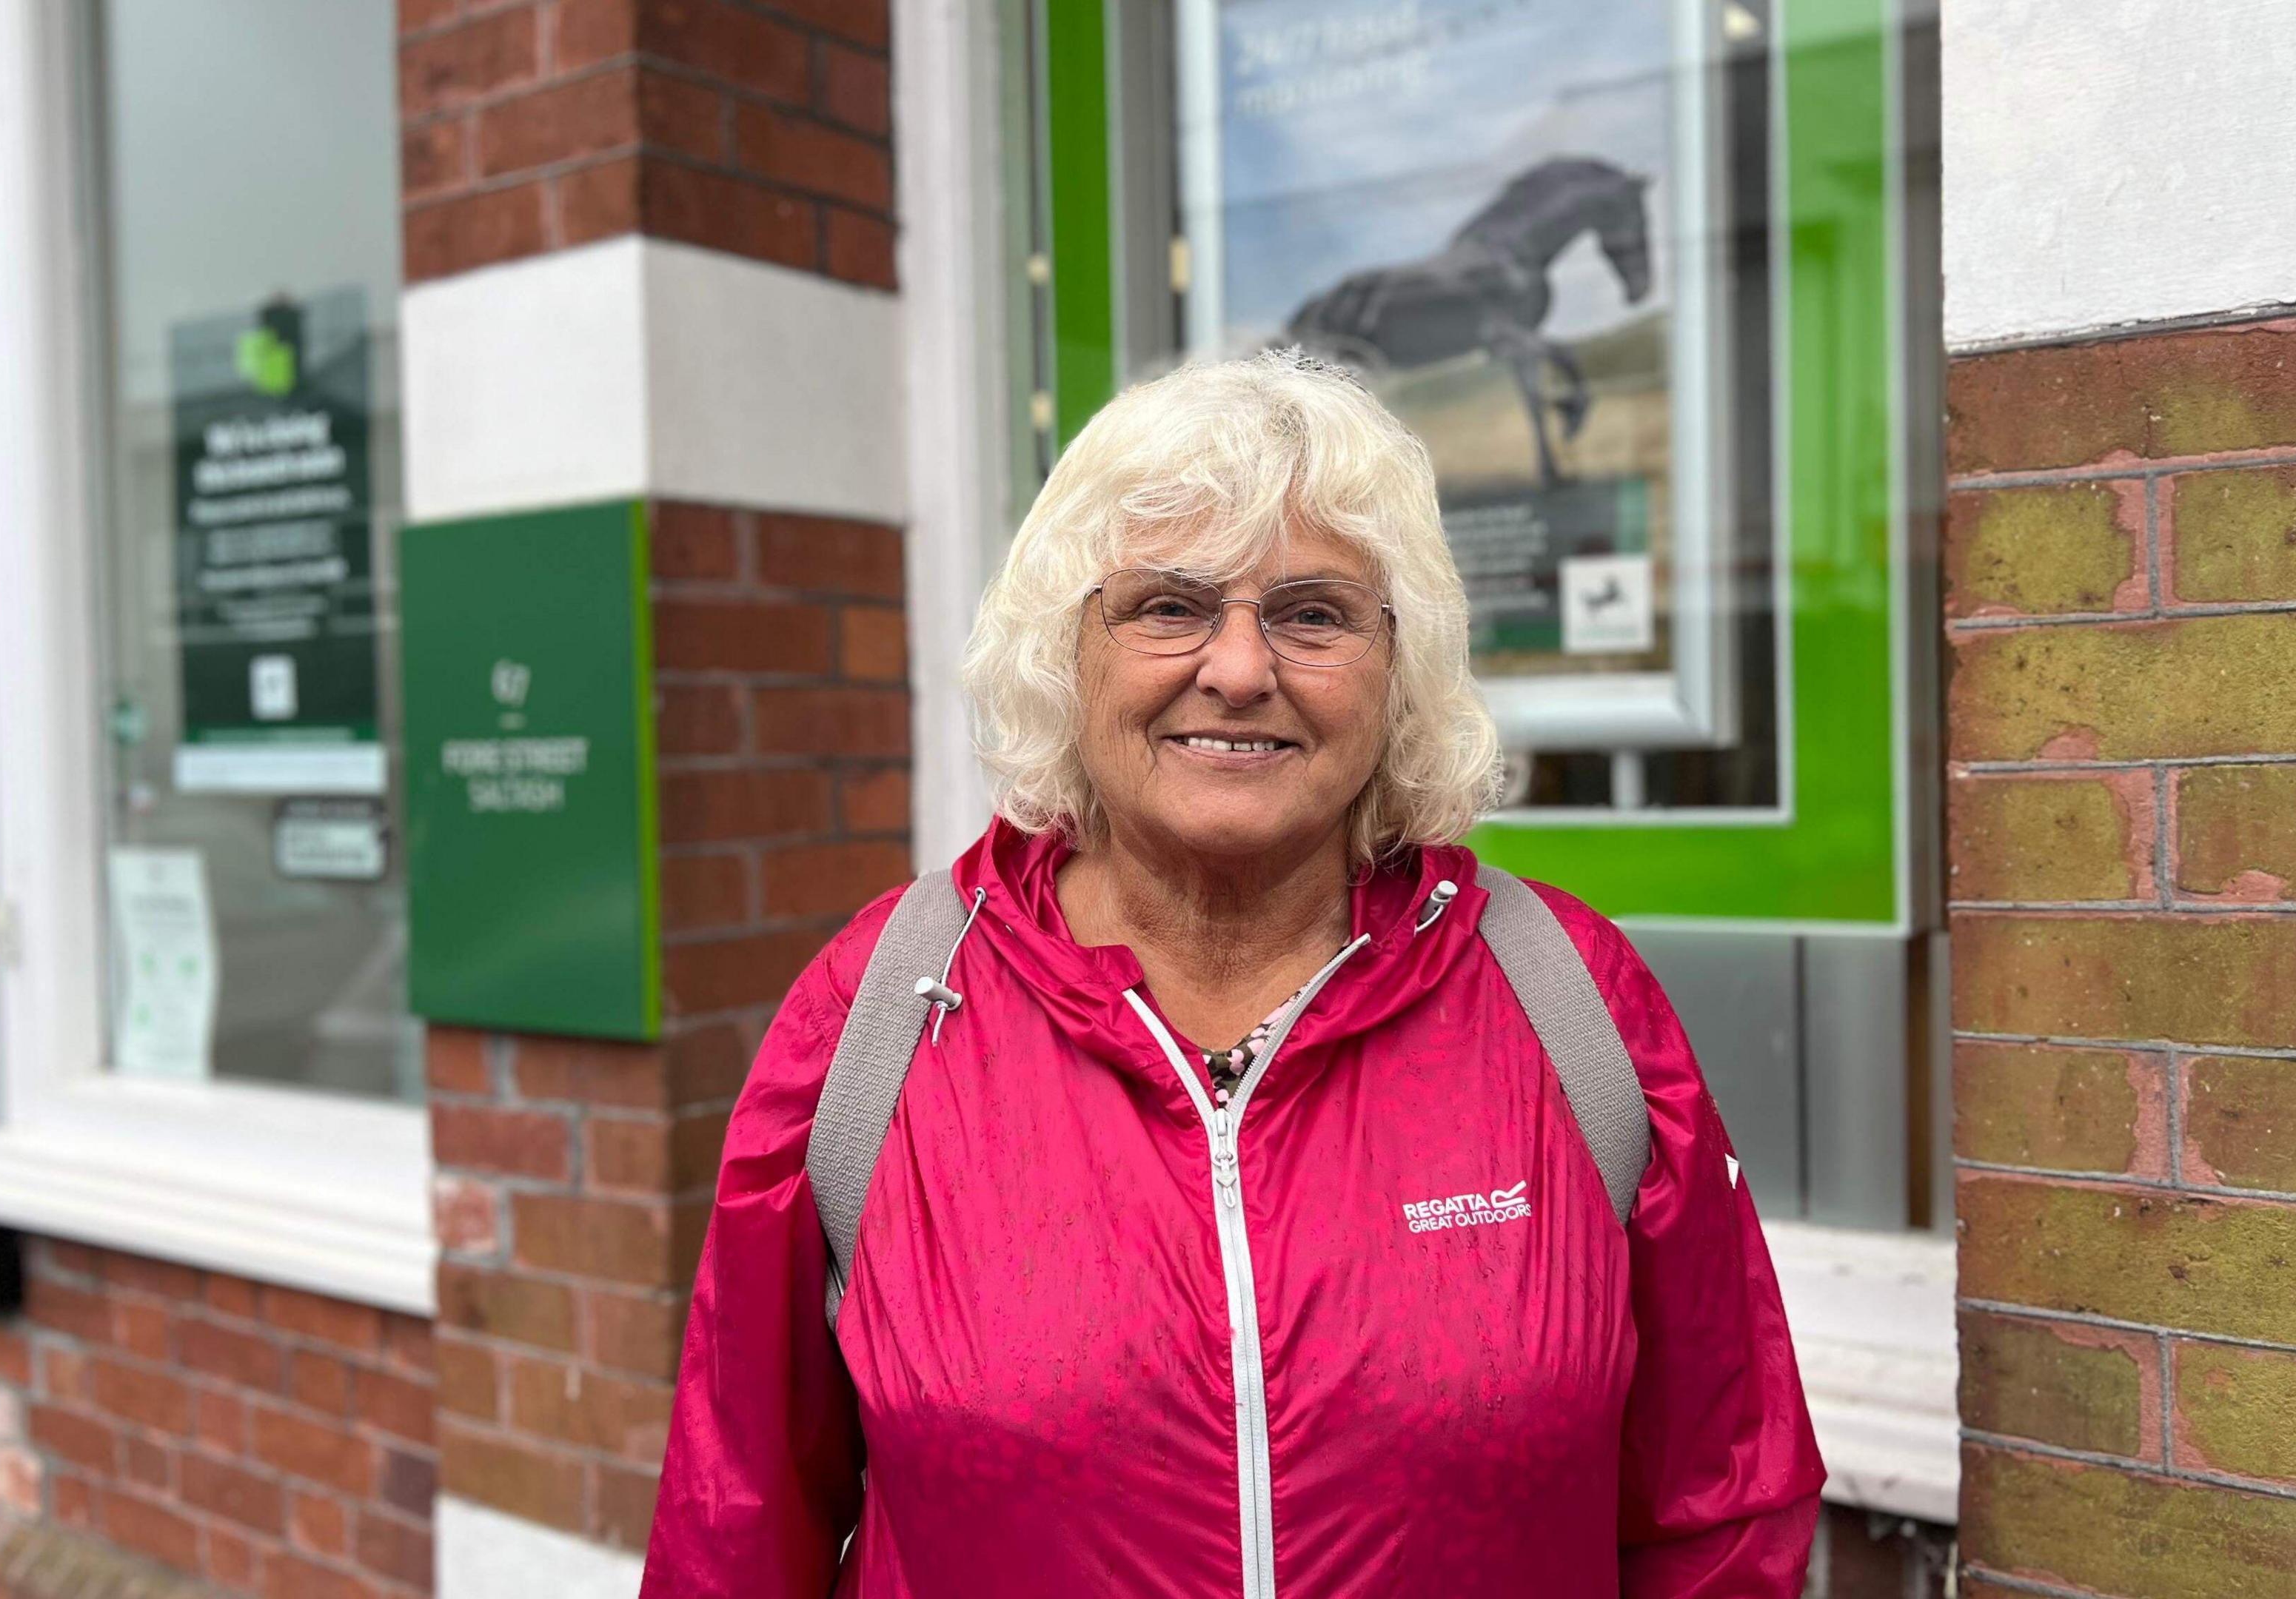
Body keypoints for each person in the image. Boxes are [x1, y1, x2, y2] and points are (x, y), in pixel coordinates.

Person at [640, 352, 1823, 1597]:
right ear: (1070, 652)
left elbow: (1721, 1511)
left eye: (1313, 613)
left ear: (1395, 664)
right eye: (1169, 605)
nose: (1242, 669)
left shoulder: (1566, 1001)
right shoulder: (877, 1016)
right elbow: (737, 1529)